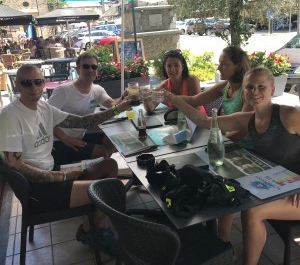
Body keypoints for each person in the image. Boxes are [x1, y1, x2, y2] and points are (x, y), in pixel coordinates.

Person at [165, 67, 300, 264]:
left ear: (272, 89)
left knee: (253, 210)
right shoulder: (248, 119)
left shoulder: (290, 115)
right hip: (279, 185)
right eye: (249, 87)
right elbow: (204, 121)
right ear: (244, 91)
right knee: (237, 196)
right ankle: (227, 247)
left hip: (296, 191)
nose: (255, 92)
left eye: (261, 87)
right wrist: (174, 98)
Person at [0, 64, 134, 255]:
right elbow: (15, 165)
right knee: (113, 189)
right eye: (27, 83)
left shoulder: (44, 107)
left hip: (53, 171)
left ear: (44, 84)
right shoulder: (10, 115)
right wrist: (63, 177)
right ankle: (98, 230)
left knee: (110, 165)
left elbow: (82, 121)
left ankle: (91, 227)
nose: (33, 87)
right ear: (18, 86)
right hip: (37, 190)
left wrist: (118, 108)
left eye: (38, 82)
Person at [48, 52, 128, 165]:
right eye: (86, 66)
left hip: (79, 137)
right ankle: (95, 173)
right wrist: (65, 138)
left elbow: (114, 105)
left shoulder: (97, 90)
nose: (90, 70)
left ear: (97, 71)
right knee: (101, 152)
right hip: (58, 142)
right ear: (78, 69)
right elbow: (45, 118)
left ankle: (97, 172)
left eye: (94, 67)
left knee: (112, 139)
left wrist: (125, 96)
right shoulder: (63, 91)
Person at [172, 46, 253, 148]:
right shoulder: (224, 86)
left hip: (247, 151)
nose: (219, 68)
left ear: (238, 66)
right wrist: (168, 97)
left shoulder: (247, 92)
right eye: (219, 63)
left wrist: (216, 143)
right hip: (228, 144)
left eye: (224, 64)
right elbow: (193, 100)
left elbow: (242, 133)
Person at [143, 49, 207, 116]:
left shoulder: (192, 80)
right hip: (177, 122)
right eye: (169, 66)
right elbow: (150, 108)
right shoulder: (164, 85)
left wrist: (171, 97)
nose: (172, 69)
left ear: (182, 67)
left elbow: (197, 107)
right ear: (165, 68)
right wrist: (145, 96)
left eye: (176, 65)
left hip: (198, 122)